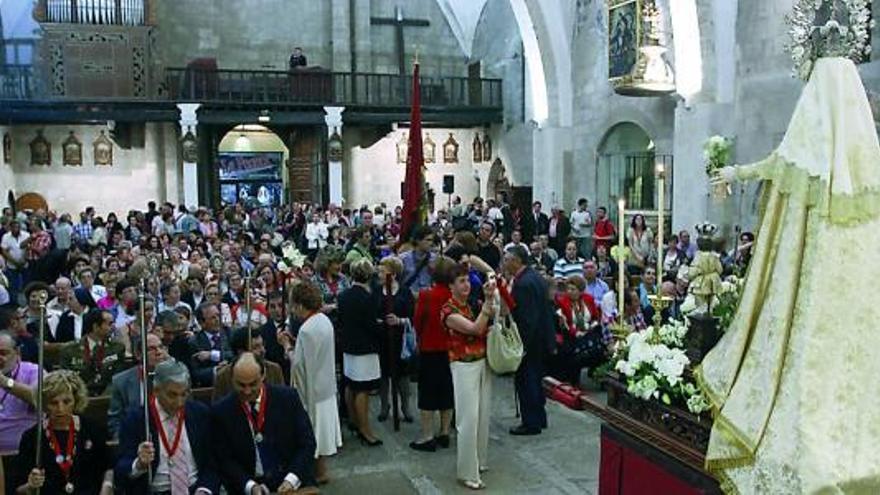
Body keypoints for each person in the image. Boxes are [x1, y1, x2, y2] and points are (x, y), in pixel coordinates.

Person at [211, 352, 317, 493]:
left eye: (253, 384)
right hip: (248, 485)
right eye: (241, 385)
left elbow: (308, 443)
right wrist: (250, 486)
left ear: (263, 376)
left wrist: (291, 479)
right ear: (232, 379)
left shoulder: (288, 399)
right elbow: (224, 459)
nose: (247, 391)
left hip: (291, 482)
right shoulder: (222, 411)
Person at [115, 359, 220, 495]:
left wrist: (205, 489)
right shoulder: (137, 420)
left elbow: (212, 463)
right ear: (156, 390)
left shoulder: (200, 414)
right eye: (172, 395)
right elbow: (120, 470)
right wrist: (139, 464)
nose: (179, 402)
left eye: (184, 394)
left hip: (195, 489)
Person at [442, 264, 496, 490]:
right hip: (463, 366)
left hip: (482, 362)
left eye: (467, 280)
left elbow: (486, 323)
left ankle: (479, 462)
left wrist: (490, 299)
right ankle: (467, 472)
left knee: (483, 416)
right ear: (451, 286)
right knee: (468, 419)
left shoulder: (470, 304)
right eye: (461, 281)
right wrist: (486, 305)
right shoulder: (448, 311)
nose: (466, 285)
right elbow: (474, 329)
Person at [14, 370, 113, 495]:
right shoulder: (32, 437)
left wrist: (107, 487)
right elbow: (18, 489)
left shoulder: (92, 429)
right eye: (53, 403)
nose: (60, 409)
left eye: (66, 402)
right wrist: (30, 486)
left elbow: (108, 468)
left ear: (76, 401)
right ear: (44, 404)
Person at [286, 281, 341, 485]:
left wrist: (287, 348)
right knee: (321, 434)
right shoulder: (324, 320)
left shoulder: (307, 329)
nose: (292, 310)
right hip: (325, 384)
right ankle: (321, 470)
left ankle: (318, 472)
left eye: (293, 305)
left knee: (313, 433)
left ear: (301, 305)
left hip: (313, 390)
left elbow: (300, 366)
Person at [502, 246, 552, 435]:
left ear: (516, 261)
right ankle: (539, 417)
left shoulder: (523, 284)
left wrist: (519, 345)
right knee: (536, 379)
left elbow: (526, 319)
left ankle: (531, 422)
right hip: (540, 338)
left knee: (527, 380)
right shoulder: (534, 277)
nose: (505, 263)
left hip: (529, 341)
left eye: (507, 259)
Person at [410, 256, 456, 452]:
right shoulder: (455, 296)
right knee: (447, 389)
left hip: (429, 348)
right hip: (451, 349)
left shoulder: (426, 295)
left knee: (428, 392)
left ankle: (427, 435)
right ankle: (444, 431)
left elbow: (417, 322)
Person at [337, 258, 383, 446]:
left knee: (351, 386)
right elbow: (371, 324)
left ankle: (355, 422)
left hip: (348, 346)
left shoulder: (343, 296)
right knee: (363, 389)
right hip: (365, 348)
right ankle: (365, 429)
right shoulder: (368, 298)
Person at [375, 256, 415, 423]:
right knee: (383, 375)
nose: (379, 274)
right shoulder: (376, 291)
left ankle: (405, 406)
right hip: (382, 338)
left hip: (400, 339)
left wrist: (400, 320)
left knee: (402, 376)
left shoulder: (405, 292)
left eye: (382, 271)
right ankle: (385, 405)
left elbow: (412, 316)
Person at [107, 332, 168, 439]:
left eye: (161, 347)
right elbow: (115, 421)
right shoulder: (121, 381)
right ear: (138, 355)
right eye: (151, 349)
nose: (159, 352)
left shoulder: (177, 376)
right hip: (137, 439)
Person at [57, 308, 129, 396]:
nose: (113, 327)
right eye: (109, 324)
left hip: (108, 398)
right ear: (95, 327)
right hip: (79, 398)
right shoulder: (70, 350)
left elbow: (118, 377)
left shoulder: (117, 348)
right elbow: (66, 380)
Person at [212, 327, 285, 401]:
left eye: (262, 345)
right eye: (256, 347)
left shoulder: (274, 369)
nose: (263, 350)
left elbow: (282, 399)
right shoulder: (224, 376)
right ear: (241, 352)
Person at [0, 331, 39, 457]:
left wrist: (5, 382)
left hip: (22, 454)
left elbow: (38, 397)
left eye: (3, 353)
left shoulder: (33, 371)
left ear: (17, 353)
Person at [189, 303, 233, 387]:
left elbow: (237, 355)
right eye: (213, 318)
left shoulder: (230, 333)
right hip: (209, 387)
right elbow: (195, 373)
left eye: (218, 315)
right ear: (202, 323)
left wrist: (213, 355)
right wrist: (217, 370)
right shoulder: (194, 342)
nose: (217, 320)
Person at [399, 226, 436, 294]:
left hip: (427, 298)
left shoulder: (435, 259)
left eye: (432, 240)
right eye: (428, 240)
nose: (431, 243)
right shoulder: (403, 259)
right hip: (409, 298)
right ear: (418, 240)